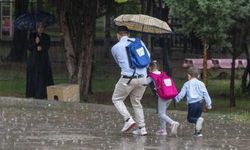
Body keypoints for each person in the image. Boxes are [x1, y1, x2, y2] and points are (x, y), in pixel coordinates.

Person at [111, 26, 150, 136]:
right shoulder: (139, 42)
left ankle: (128, 120)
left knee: (117, 99)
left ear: (118, 35)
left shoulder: (115, 47)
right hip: (143, 78)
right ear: (128, 34)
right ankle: (142, 128)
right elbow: (148, 58)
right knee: (136, 101)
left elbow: (119, 63)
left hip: (128, 78)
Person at [145, 60, 179, 136]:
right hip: (170, 95)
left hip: (163, 96)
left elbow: (144, 83)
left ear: (150, 68)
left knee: (161, 114)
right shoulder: (163, 74)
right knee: (163, 113)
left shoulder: (152, 75)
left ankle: (173, 123)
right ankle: (162, 130)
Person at [174, 67, 212, 137]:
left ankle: (198, 126)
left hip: (192, 104)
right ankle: (198, 133)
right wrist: (209, 104)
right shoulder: (201, 84)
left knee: (190, 118)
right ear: (198, 76)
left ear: (188, 75)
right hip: (200, 103)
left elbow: (182, 94)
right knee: (198, 118)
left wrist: (176, 99)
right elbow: (206, 94)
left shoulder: (187, 84)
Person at [26, 22, 54, 99]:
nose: (40, 29)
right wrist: (36, 43)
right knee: (34, 75)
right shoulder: (32, 36)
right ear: (37, 28)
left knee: (43, 75)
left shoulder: (47, 37)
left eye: (42, 27)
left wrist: (42, 48)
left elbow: (47, 46)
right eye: (39, 27)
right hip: (34, 59)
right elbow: (29, 47)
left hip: (43, 59)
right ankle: (33, 93)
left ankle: (43, 93)